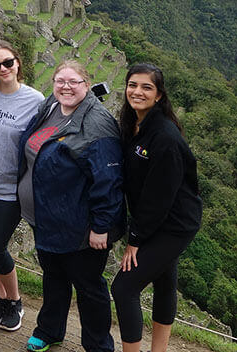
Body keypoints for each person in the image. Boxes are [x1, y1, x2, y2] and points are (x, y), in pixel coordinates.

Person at [18, 60, 124, 352]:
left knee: (89, 288)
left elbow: (108, 180)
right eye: (60, 80)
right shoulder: (52, 106)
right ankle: (50, 330)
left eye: (73, 82)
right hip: (46, 219)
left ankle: (98, 346)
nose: (65, 87)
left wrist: (101, 226)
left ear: (86, 86)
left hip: (80, 225)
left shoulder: (97, 123)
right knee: (53, 278)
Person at [110, 63, 202, 352]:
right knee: (164, 281)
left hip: (173, 224)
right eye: (132, 85)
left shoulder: (165, 137)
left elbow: (159, 196)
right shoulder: (133, 123)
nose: (137, 92)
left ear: (159, 95)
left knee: (123, 288)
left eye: (146, 87)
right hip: (153, 217)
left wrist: (135, 240)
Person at [0, 41, 44, 332]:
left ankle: (15, 300)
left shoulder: (35, 100)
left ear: (18, 63)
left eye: (7, 63)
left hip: (10, 189)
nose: (3, 69)